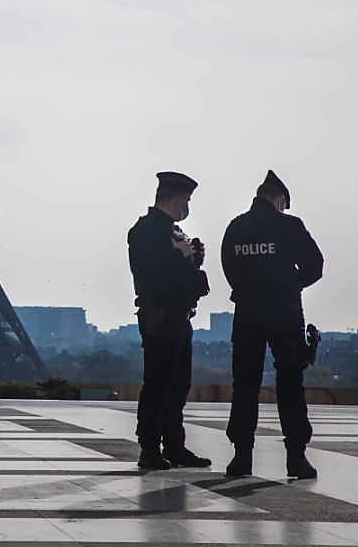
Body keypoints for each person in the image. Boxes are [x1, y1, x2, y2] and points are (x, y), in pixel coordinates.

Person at [221, 170, 323, 479]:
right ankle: (296, 457)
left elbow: (229, 268)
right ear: (279, 199)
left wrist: (252, 288)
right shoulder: (288, 225)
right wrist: (289, 285)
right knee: (290, 383)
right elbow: (315, 266)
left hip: (247, 311)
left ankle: (241, 458)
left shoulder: (236, 227)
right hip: (283, 311)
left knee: (245, 384)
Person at [128, 171, 212, 470]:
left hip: (180, 317)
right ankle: (149, 448)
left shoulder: (175, 232)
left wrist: (194, 258)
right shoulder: (145, 231)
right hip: (160, 318)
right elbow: (146, 272)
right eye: (187, 200)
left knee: (178, 387)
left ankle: (175, 446)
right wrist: (177, 254)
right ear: (178, 199)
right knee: (158, 387)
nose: (187, 205)